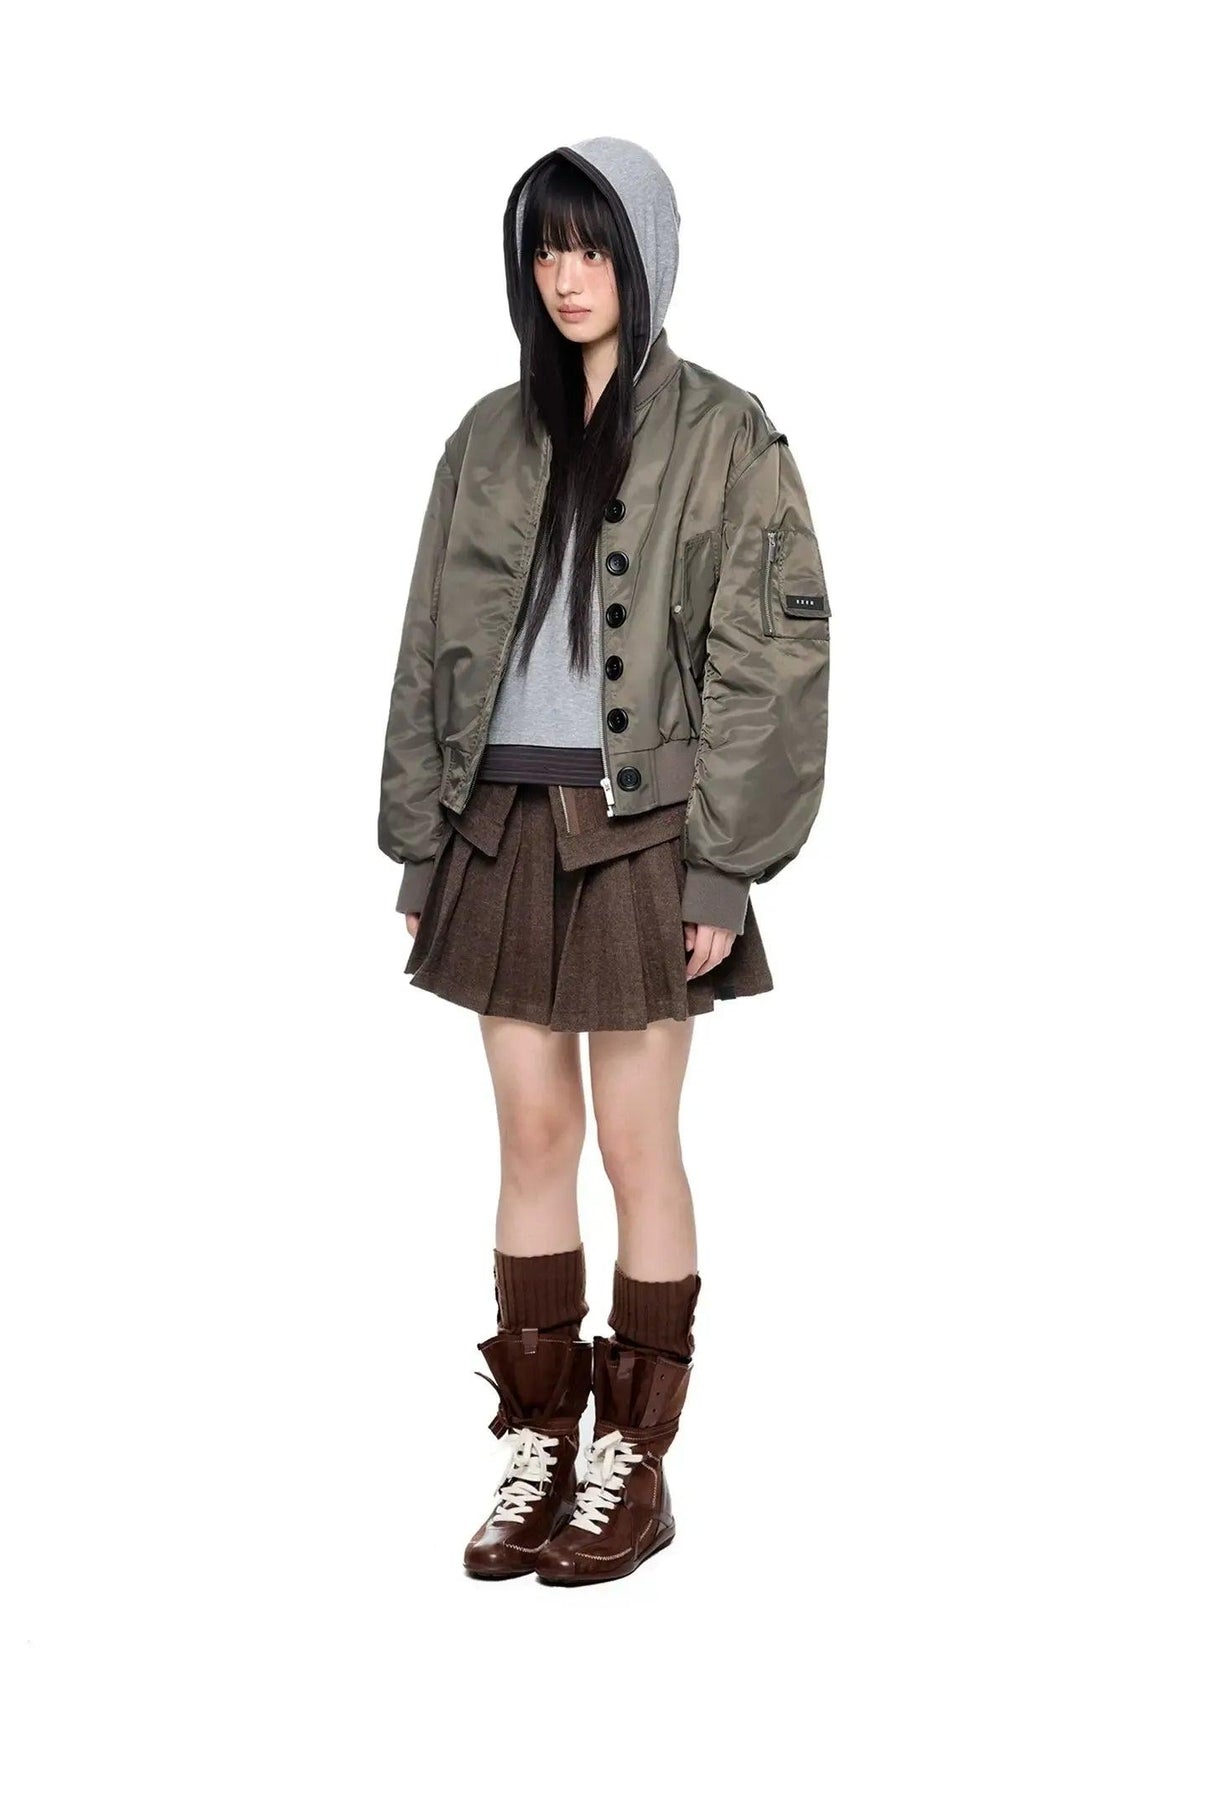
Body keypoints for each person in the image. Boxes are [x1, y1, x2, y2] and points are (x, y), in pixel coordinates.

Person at [378, 136, 831, 1584]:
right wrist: (420, 844)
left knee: (637, 1141)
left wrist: (724, 869)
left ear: (646, 256)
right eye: (546, 248)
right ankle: (538, 1446)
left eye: (593, 246)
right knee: (529, 1136)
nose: (567, 276)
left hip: (648, 833)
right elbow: (429, 646)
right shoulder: (485, 435)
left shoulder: (728, 434)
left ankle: (634, 1457)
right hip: (497, 823)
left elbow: (772, 662)